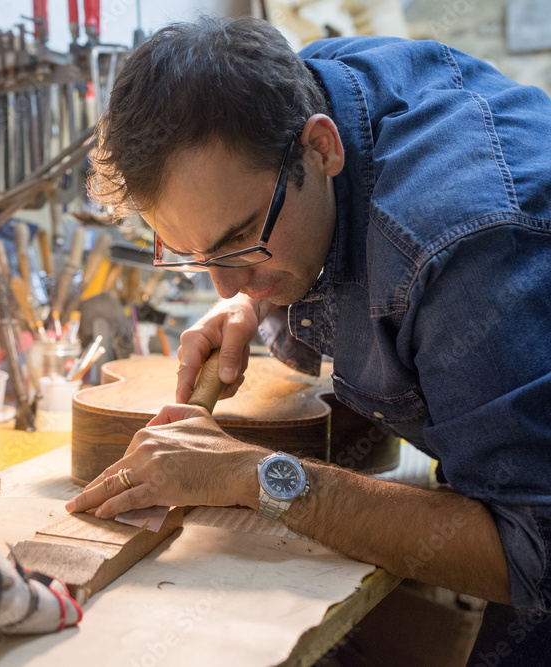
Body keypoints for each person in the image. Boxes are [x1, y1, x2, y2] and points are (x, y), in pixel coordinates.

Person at [64, 16, 551, 663]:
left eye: (240, 239)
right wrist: (255, 303)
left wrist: (256, 474)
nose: (220, 284)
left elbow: (533, 554)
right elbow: (328, 252)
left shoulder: (459, 249)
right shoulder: (300, 92)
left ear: (321, 149)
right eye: (190, 254)